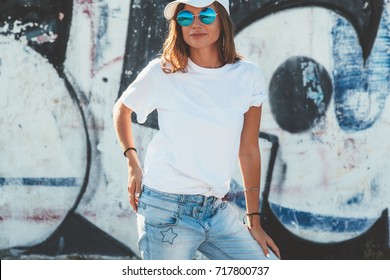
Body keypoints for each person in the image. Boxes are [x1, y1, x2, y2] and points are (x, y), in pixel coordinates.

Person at [113, 0, 280, 260]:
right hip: (165, 209)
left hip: (215, 209)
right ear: (178, 27)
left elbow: (248, 151)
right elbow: (122, 110)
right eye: (186, 18)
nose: (196, 23)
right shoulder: (163, 71)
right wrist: (132, 162)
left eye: (206, 14)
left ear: (222, 19)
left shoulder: (247, 76)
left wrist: (254, 221)